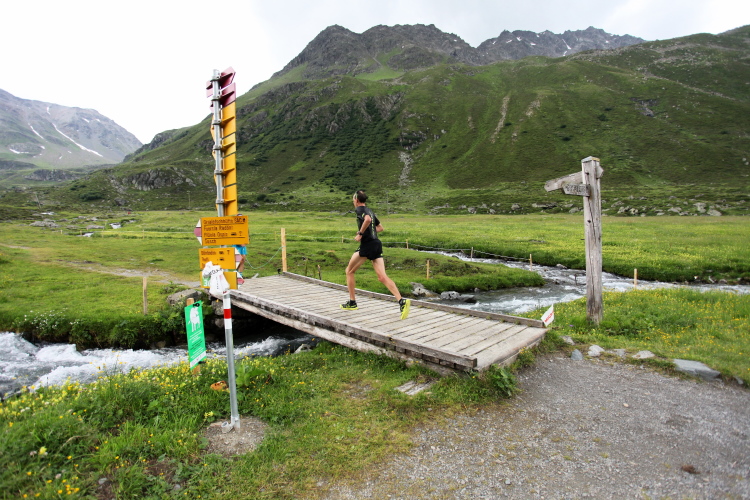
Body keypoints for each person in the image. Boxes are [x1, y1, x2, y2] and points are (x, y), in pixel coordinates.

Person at [341, 190, 411, 319]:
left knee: (349, 271)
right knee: (382, 277)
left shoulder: (360, 210)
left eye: (353, 199)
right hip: (376, 244)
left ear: (356, 200)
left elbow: (367, 220)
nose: (353, 201)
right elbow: (380, 228)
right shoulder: (370, 211)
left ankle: (352, 302)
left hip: (367, 245)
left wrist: (360, 233)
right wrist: (368, 231)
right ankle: (402, 301)